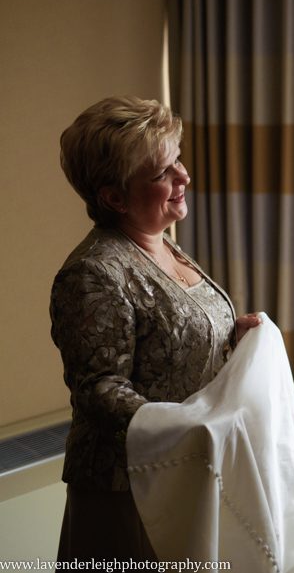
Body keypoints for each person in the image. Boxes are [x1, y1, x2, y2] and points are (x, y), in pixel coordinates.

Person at [50, 96, 261, 561]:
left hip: (182, 474)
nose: (183, 175)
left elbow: (173, 347)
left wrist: (235, 343)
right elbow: (100, 388)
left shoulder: (164, 246)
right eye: (162, 172)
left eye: (177, 159)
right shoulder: (94, 272)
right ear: (114, 196)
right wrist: (183, 427)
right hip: (127, 491)